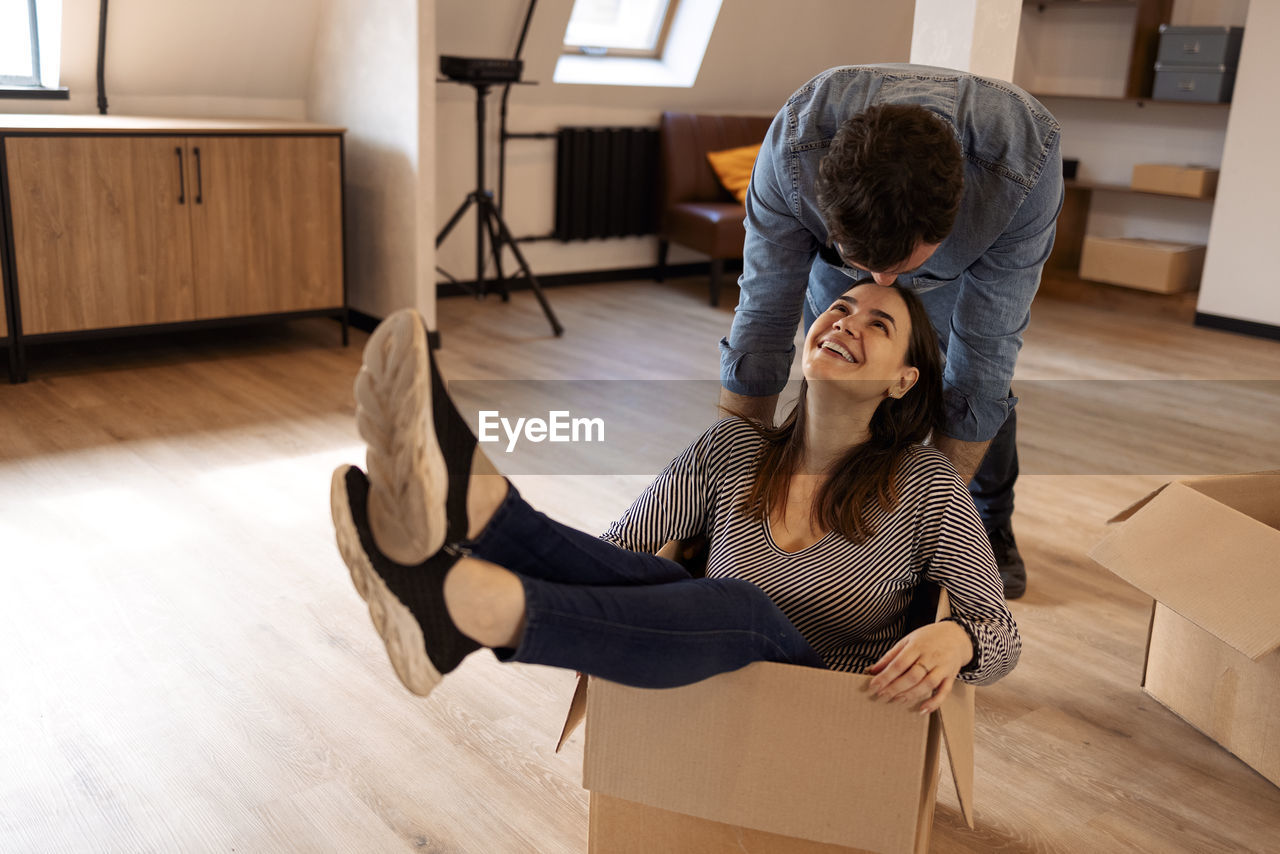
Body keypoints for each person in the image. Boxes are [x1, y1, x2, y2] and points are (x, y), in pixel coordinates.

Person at [330, 285, 1019, 712]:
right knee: (661, 577)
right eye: (839, 307)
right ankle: (475, 517)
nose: (846, 321)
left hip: (834, 706)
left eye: (878, 323)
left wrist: (957, 636)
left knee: (744, 608)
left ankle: (471, 582)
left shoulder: (928, 487)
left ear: (902, 381)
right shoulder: (732, 449)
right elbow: (618, 555)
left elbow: (1001, 633)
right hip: (711, 683)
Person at [719, 64, 1065, 599]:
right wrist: (729, 501)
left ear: (948, 220)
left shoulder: (1023, 165)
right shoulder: (794, 148)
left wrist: (939, 543)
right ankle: (826, 505)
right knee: (840, 384)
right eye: (866, 262)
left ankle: (989, 519)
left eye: (899, 265)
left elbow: (983, 366)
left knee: (970, 387)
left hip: (964, 274)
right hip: (828, 263)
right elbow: (760, 329)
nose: (882, 283)